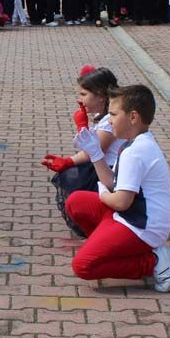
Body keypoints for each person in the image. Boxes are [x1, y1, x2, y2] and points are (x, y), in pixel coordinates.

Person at [63, 84, 170, 291]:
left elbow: (121, 201)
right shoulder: (133, 143)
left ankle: (152, 263)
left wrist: (104, 195)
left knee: (83, 267)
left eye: (113, 114)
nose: (108, 120)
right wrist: (94, 153)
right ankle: (113, 248)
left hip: (142, 228)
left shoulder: (136, 151)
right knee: (75, 201)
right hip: (129, 217)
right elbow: (114, 183)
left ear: (133, 117)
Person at [41, 67, 123, 233]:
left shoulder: (110, 121)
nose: (80, 99)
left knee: (73, 176)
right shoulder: (105, 117)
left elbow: (93, 148)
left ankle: (102, 218)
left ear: (100, 95)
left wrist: (69, 160)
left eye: (84, 94)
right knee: (72, 173)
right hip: (101, 165)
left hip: (108, 171)